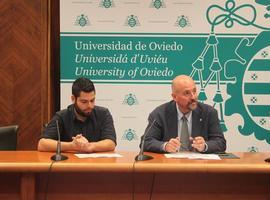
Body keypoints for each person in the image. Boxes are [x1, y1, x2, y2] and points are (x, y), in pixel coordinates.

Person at [141, 75, 226, 153]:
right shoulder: (160, 114)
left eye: (194, 91)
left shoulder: (209, 113)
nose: (193, 97)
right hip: (170, 166)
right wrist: (166, 146)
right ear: (174, 97)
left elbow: (220, 143)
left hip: (199, 166)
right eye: (187, 93)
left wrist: (204, 146)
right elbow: (146, 142)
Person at [38, 77, 116, 153]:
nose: (90, 106)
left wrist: (89, 146)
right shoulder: (62, 116)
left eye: (92, 100)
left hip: (97, 164)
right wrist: (72, 146)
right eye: (84, 102)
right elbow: (42, 144)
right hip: (70, 164)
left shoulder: (103, 113)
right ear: (73, 99)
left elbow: (111, 143)